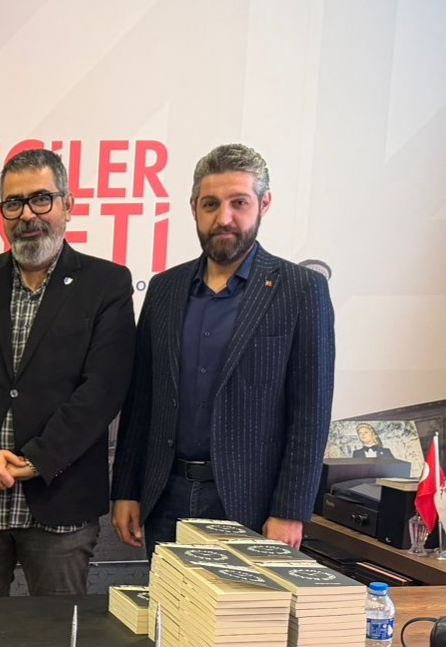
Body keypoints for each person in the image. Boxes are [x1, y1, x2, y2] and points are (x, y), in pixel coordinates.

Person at [0, 148, 135, 597]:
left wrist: (39, 459)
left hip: (61, 501)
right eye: (14, 203)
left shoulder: (107, 284)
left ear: (68, 205)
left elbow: (103, 388)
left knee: (58, 633)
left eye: (41, 199)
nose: (27, 215)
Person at [110, 143, 336, 552]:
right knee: (165, 597)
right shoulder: (164, 289)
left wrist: (290, 510)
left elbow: (311, 413)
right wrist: (126, 488)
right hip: (165, 498)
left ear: (264, 204)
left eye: (239, 203)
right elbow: (141, 398)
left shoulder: (301, 290)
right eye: (211, 204)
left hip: (252, 504)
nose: (224, 218)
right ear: (194, 208)